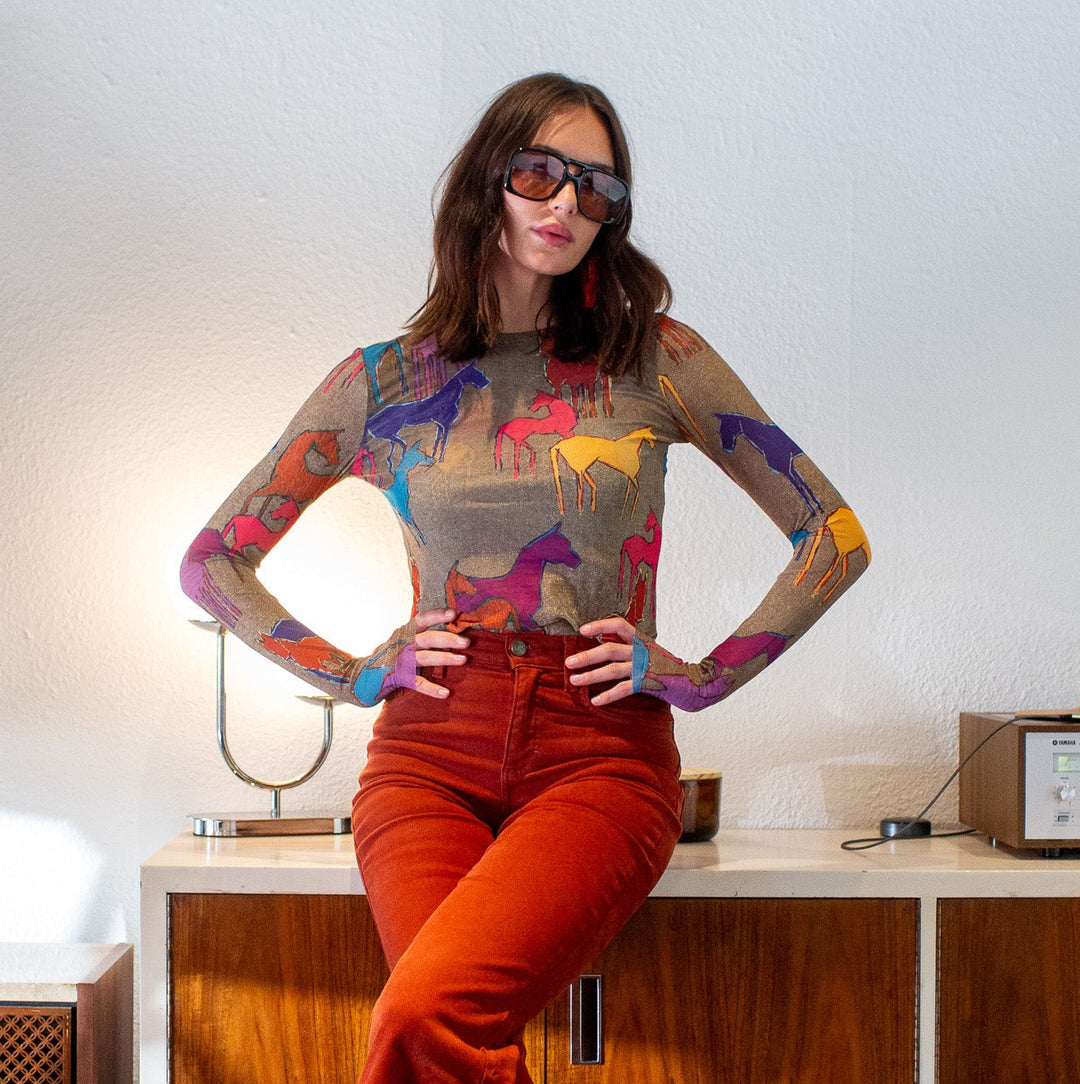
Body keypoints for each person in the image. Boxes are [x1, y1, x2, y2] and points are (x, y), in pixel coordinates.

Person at [180, 71, 869, 1083]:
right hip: (427, 752)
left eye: (598, 190)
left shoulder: (658, 361)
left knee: (423, 1018)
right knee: (448, 1036)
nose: (566, 205)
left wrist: (701, 676)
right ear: (486, 183)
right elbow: (212, 562)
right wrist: (354, 674)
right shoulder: (383, 382)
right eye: (542, 172)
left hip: (599, 752)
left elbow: (833, 533)